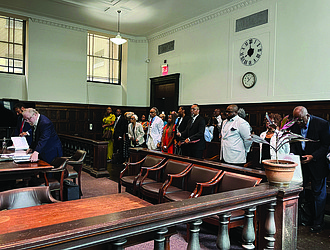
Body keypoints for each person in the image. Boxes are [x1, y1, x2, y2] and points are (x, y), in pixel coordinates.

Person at [290, 106, 330, 233]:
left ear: (307, 116)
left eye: (301, 120)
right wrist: (293, 155)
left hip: (317, 163)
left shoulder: (322, 124)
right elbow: (294, 143)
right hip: (302, 164)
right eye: (297, 120)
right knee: (300, 192)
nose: (299, 123)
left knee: (318, 194)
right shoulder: (294, 124)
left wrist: (313, 156)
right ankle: (305, 218)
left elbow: (326, 145)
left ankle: (318, 223)